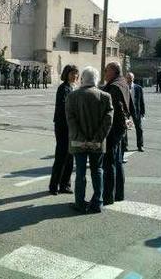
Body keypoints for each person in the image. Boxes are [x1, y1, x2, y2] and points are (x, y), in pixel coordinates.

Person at [65, 66, 114, 214]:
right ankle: (97, 203)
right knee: (97, 171)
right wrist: (97, 137)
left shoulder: (72, 96)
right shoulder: (105, 96)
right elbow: (108, 120)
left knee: (80, 173)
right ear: (96, 79)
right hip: (97, 142)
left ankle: (79, 202)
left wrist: (80, 137)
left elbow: (70, 120)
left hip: (78, 141)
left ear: (82, 79)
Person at [48, 64, 79, 195]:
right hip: (62, 126)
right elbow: (64, 107)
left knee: (70, 156)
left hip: (71, 126)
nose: (75, 76)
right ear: (66, 74)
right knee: (61, 156)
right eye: (72, 73)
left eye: (76, 73)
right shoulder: (64, 88)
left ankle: (65, 185)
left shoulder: (74, 88)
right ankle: (54, 185)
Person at [102, 62, 129, 204]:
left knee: (110, 163)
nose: (104, 72)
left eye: (106, 70)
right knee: (117, 162)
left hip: (113, 129)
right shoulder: (122, 82)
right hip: (120, 128)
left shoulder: (114, 86)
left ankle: (108, 196)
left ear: (113, 71)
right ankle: (119, 194)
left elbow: (115, 109)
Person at [126, 72, 145, 152]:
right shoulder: (124, 87)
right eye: (128, 78)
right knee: (124, 129)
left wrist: (142, 112)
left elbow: (141, 101)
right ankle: (125, 146)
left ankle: (140, 145)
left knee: (139, 128)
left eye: (130, 78)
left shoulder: (138, 88)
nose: (129, 79)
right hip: (126, 110)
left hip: (136, 110)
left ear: (133, 78)